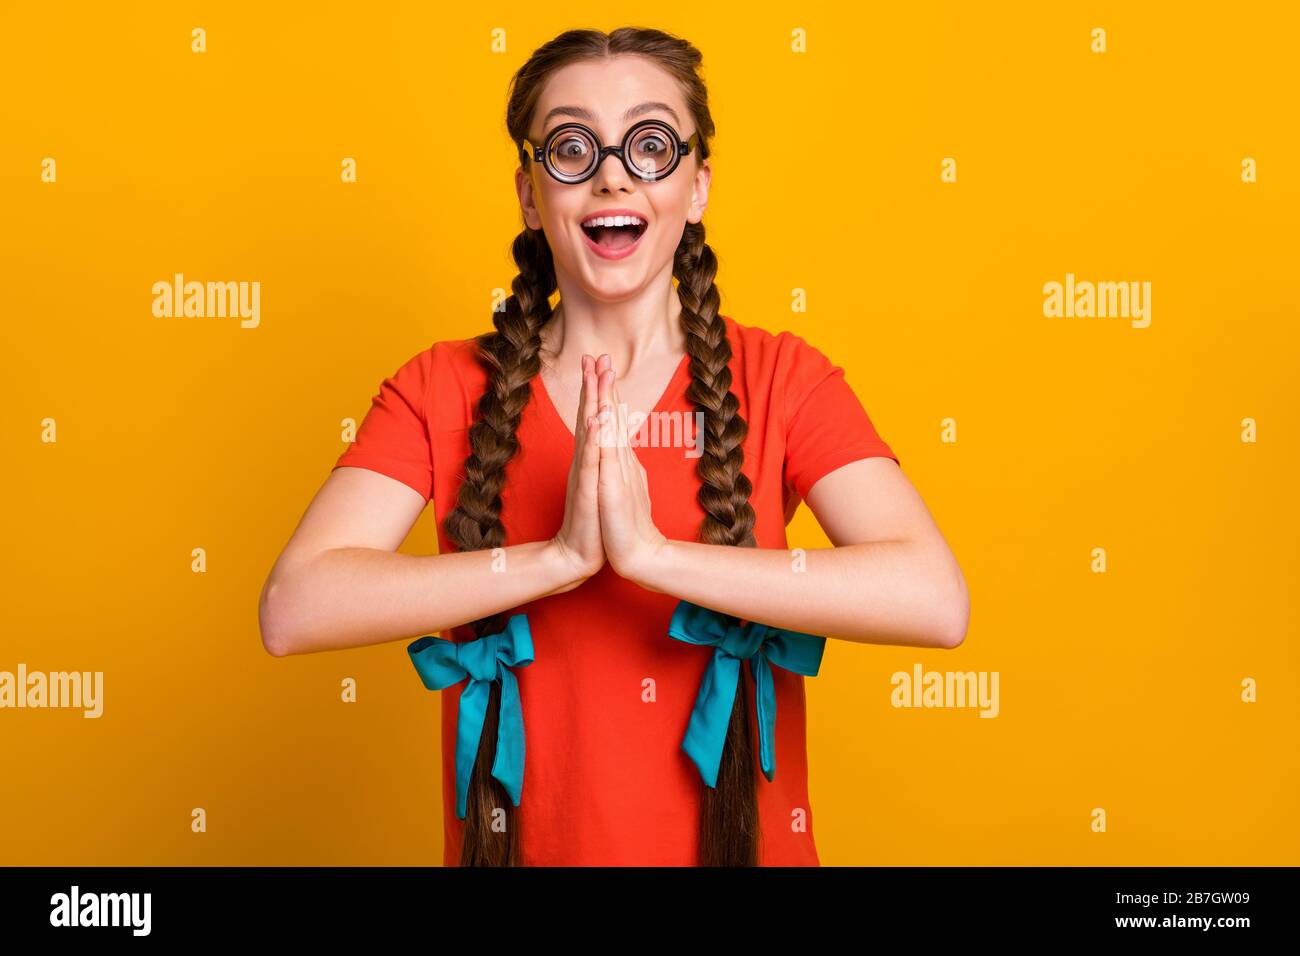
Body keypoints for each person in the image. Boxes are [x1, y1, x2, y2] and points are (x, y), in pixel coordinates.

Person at [258, 26, 969, 867]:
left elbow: (935, 600)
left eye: (650, 144)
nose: (611, 173)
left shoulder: (782, 376)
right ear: (530, 195)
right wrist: (556, 560)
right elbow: (294, 607)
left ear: (698, 185)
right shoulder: (439, 387)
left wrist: (653, 557)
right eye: (571, 146)